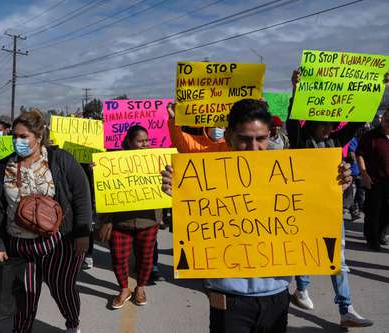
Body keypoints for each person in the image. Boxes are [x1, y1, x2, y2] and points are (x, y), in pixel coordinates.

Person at [161, 98, 353, 332]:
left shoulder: (287, 169)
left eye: (260, 139)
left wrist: (334, 187)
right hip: (227, 298)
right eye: (244, 139)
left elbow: (311, 209)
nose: (253, 147)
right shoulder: (206, 172)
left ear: (270, 135)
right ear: (230, 134)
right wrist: (179, 192)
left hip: (277, 295)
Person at [0, 109, 91, 333]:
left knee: (62, 289)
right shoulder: (4, 166)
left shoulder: (60, 160)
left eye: (23, 136)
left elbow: (82, 196)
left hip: (57, 244)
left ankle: (73, 323)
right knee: (25, 295)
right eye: (14, 136)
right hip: (19, 245)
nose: (17, 141)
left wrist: (83, 234)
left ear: (38, 136)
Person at [286, 70, 372, 328]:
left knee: (338, 258)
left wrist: (371, 90)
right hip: (303, 207)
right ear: (312, 124)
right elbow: (293, 119)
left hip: (330, 209)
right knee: (305, 252)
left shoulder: (336, 140)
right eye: (322, 124)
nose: (327, 129)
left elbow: (356, 123)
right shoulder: (302, 140)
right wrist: (296, 90)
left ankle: (346, 308)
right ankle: (302, 289)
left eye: (330, 124)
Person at [98, 125, 161, 309]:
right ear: (129, 142)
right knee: (119, 257)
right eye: (140, 141)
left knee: (146, 257)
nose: (145, 144)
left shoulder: (156, 160)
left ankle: (140, 288)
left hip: (148, 220)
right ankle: (124, 289)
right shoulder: (113, 160)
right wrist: (97, 171)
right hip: (120, 221)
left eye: (147, 141)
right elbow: (104, 189)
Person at [356, 109, 389, 251]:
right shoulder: (370, 136)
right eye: (387, 119)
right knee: (373, 211)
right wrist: (364, 174)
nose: (388, 123)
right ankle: (372, 239)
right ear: (382, 119)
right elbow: (360, 154)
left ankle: (381, 234)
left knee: (387, 211)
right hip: (374, 180)